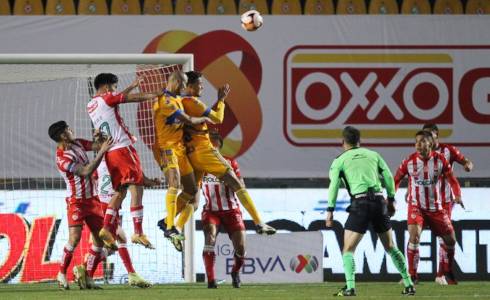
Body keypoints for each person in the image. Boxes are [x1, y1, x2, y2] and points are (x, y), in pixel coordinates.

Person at [177, 71, 276, 236]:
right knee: (236, 183)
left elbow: (204, 116)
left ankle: (173, 225)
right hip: (204, 151)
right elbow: (217, 119)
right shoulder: (193, 101)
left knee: (193, 198)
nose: (202, 87)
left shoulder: (179, 103)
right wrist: (222, 100)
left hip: (191, 154)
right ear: (190, 86)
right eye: (200, 84)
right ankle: (259, 223)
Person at [325, 126, 414, 296]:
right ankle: (409, 284)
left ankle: (350, 287)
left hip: (361, 203)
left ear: (342, 142)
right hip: (380, 202)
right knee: (391, 246)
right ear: (359, 141)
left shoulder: (339, 161)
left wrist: (330, 210)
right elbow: (388, 176)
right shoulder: (373, 155)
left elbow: (334, 185)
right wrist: (392, 199)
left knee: (348, 249)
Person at [87, 73, 163, 250]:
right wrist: (156, 93)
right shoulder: (108, 98)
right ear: (106, 87)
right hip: (122, 148)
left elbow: (114, 99)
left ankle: (106, 228)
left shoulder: (91, 104)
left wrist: (131, 86)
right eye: (114, 87)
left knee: (120, 191)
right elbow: (131, 98)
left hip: (110, 152)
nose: (115, 90)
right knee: (136, 187)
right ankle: (138, 231)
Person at [394, 130, 463, 286]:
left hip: (436, 208)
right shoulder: (409, 161)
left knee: (450, 240)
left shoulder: (441, 161)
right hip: (416, 206)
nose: (418, 145)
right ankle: (412, 276)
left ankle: (447, 272)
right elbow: (396, 179)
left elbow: (452, 179)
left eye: (422, 141)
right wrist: (391, 198)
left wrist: (457, 194)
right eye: (416, 142)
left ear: (430, 144)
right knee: (414, 236)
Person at [49, 121, 112, 290]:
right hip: (76, 202)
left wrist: (100, 138)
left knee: (100, 241)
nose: (72, 130)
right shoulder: (62, 158)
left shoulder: (77, 143)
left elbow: (97, 145)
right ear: (63, 135)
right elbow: (85, 171)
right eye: (68, 129)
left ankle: (89, 277)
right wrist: (102, 151)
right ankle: (61, 274)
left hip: (93, 200)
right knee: (74, 238)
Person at [152, 71, 211, 245]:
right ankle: (170, 226)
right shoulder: (166, 101)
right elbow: (188, 120)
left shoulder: (177, 99)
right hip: (167, 149)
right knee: (175, 184)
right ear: (176, 81)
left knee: (192, 190)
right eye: (183, 84)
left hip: (181, 149)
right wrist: (208, 117)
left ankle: (166, 222)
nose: (185, 88)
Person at [422, 124, 473, 285]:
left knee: (445, 238)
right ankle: (411, 275)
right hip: (424, 201)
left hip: (444, 201)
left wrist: (467, 166)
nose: (428, 139)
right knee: (414, 236)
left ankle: (441, 274)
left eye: (430, 135)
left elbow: (466, 161)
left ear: (436, 135)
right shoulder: (422, 152)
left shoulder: (448, 150)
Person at [95, 158, 154, 288]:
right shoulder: (119, 162)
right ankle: (84, 269)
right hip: (110, 206)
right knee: (107, 247)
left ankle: (132, 274)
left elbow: (94, 180)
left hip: (101, 204)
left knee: (120, 238)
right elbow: (133, 177)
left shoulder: (99, 164)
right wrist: (146, 181)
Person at [200, 130, 247, 289]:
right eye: (209, 141)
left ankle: (235, 272)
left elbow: (241, 186)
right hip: (211, 211)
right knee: (210, 239)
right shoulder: (200, 165)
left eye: (215, 141)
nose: (212, 144)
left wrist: (231, 182)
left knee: (240, 248)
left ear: (219, 145)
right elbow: (191, 184)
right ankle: (211, 280)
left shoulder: (230, 163)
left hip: (232, 211)